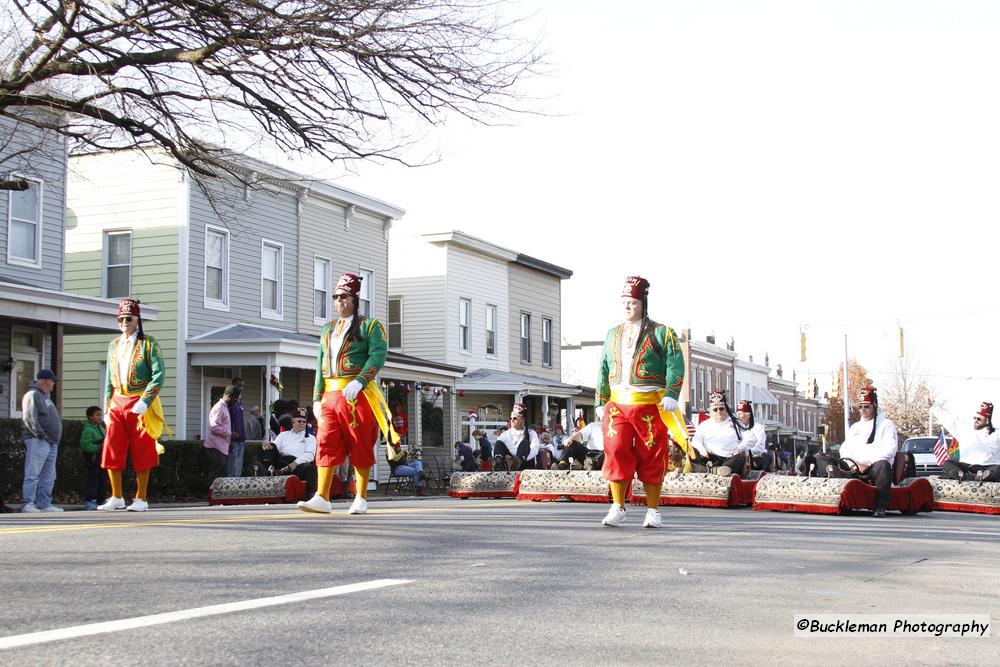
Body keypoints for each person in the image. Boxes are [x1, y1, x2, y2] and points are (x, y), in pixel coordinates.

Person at [299, 272, 400, 514]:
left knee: (359, 442)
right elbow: (319, 362)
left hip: (356, 394)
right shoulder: (327, 329)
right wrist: (316, 396)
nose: (338, 301)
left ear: (354, 298)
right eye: (335, 297)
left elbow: (378, 354)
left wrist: (361, 380)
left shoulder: (370, 326)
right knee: (325, 442)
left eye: (343, 296)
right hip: (330, 396)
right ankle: (322, 496)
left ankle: (361, 497)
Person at [595, 276, 686, 528]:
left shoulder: (662, 332)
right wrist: (600, 400)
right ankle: (617, 505)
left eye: (632, 302)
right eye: (624, 301)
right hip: (617, 403)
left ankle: (653, 510)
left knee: (651, 454)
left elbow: (675, 364)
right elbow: (603, 368)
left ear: (643, 303)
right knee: (615, 451)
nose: (627, 307)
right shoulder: (612, 334)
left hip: (648, 403)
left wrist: (671, 393)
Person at [99, 297, 168, 512]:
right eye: (120, 319)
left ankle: (141, 497)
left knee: (142, 450)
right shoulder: (114, 345)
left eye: (128, 318)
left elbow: (159, 375)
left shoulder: (149, 344)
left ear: (137, 319)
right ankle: (116, 496)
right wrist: (106, 407)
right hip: (118, 401)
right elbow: (109, 378)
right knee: (112, 448)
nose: (124, 322)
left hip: (140, 401)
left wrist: (146, 400)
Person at [815, 386, 898, 518]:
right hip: (853, 465)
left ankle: (880, 506)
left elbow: (890, 448)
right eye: (861, 407)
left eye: (867, 407)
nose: (863, 410)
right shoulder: (855, 427)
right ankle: (835, 490)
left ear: (874, 407)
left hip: (873, 467)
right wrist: (852, 463)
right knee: (821, 458)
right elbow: (845, 448)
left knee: (883, 465)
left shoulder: (887, 424)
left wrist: (868, 463)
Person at [20, 368, 63, 513]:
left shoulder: (45, 396)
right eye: (52, 382)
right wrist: (40, 434)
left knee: (49, 476)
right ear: (45, 381)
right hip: (38, 440)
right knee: (33, 473)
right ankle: (28, 504)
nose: (53, 385)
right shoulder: (33, 395)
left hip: (50, 442)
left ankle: (44, 504)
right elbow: (30, 417)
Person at [931, 401, 1000, 482]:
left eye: (979, 419)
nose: (975, 421)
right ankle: (964, 476)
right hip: (967, 467)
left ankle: (985, 477)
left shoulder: (997, 434)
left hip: (989, 468)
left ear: (987, 421)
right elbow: (948, 419)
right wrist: (932, 406)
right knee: (948, 463)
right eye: (975, 418)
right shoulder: (965, 430)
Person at [690, 391, 756, 476]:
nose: (718, 411)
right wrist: (701, 449)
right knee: (692, 450)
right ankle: (708, 469)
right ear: (710, 411)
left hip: (729, 459)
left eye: (721, 408)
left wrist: (739, 448)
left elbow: (751, 438)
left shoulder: (736, 423)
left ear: (726, 409)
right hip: (709, 459)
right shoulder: (704, 425)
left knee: (740, 458)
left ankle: (722, 470)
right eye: (715, 409)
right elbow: (696, 440)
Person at [261, 407, 318, 496]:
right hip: (282, 462)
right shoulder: (283, 435)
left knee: (311, 468)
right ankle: (266, 473)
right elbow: (274, 447)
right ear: (293, 422)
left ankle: (311, 495)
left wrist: (295, 463)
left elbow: (310, 455)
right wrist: (266, 444)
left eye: (304, 422)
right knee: (270, 446)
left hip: (297, 465)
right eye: (299, 421)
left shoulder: (310, 437)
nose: (302, 424)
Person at [492, 404, 540, 471]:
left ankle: (517, 463)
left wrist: (518, 458)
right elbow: (496, 449)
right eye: (511, 418)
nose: (512, 420)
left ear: (522, 420)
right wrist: (507, 457)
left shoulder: (531, 433)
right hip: (509, 462)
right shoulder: (505, 434)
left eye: (515, 418)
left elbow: (534, 449)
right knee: (499, 443)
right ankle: (498, 463)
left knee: (525, 443)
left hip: (525, 462)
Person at [204, 386, 236, 482]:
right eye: (235, 398)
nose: (235, 401)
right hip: (215, 447)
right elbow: (214, 427)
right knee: (216, 474)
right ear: (229, 396)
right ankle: (211, 494)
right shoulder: (219, 408)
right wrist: (229, 433)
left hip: (221, 447)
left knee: (221, 473)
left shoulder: (224, 407)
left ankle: (216, 494)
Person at [80, 405, 108, 510]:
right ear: (90, 417)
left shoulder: (101, 428)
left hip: (102, 460)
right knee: (92, 481)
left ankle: (101, 499)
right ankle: (90, 500)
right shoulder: (88, 430)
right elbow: (86, 445)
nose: (100, 417)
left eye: (101, 415)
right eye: (97, 415)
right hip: (93, 460)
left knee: (103, 481)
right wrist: (99, 447)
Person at [735, 400, 770, 471]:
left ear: (748, 415)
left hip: (756, 456)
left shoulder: (758, 427)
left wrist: (750, 452)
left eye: (740, 414)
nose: (737, 417)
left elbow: (760, 445)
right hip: (740, 456)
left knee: (764, 457)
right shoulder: (735, 428)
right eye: (737, 414)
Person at [226, 376, 247, 477]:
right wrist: (230, 434)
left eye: (243, 386)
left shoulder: (239, 402)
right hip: (233, 439)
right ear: (233, 385)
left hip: (241, 438)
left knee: (239, 466)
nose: (241, 388)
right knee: (232, 466)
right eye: (239, 386)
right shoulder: (230, 403)